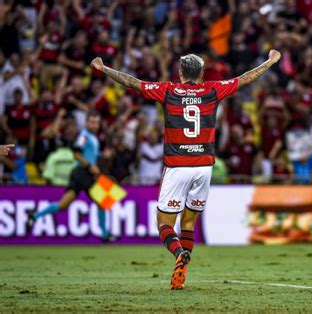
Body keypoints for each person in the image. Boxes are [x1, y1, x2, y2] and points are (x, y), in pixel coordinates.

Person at [90, 49, 281, 289]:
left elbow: (134, 83)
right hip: (204, 167)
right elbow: (244, 79)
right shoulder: (212, 90)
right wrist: (269, 62)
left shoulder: (168, 90)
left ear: (180, 72)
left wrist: (104, 68)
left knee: (165, 224)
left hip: (178, 166)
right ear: (202, 73)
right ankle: (181, 275)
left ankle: (179, 254)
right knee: (189, 222)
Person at [27, 111, 116, 242]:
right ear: (87, 122)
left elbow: (91, 155)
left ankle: (35, 215)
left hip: (80, 174)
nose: (95, 125)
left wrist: (104, 155)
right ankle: (105, 235)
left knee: (63, 205)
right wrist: (89, 166)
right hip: (83, 173)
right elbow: (76, 153)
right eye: (92, 122)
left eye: (97, 122)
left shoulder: (93, 138)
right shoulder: (84, 136)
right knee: (102, 201)